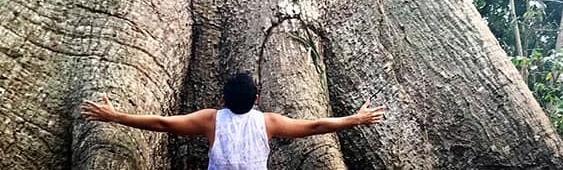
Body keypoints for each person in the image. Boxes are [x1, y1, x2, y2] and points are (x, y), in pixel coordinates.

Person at [80, 71, 384, 169]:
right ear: (256, 99)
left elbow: (161, 123)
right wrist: (355, 119)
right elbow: (316, 126)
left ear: (223, 98)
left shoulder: (210, 120)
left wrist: (115, 115)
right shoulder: (269, 122)